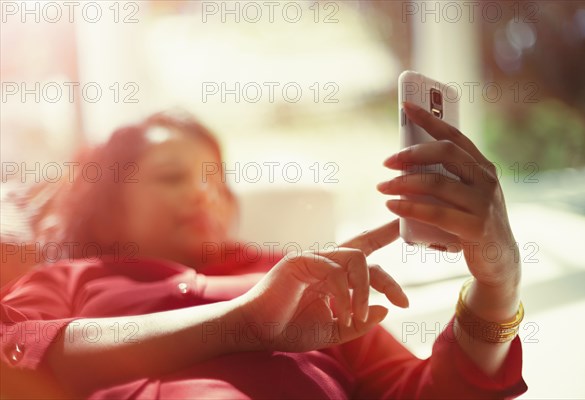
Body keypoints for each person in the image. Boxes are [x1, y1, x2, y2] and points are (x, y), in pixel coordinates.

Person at [1, 104, 528, 399]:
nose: (204, 193)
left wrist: (498, 288)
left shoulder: (301, 276)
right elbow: (14, 359)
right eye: (172, 176)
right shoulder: (71, 279)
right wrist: (240, 323)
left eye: (216, 179)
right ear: (111, 206)